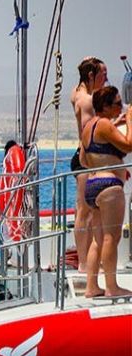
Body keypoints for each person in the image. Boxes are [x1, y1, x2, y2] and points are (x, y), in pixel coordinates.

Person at [79, 85, 131, 298]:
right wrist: (130, 119)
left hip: (92, 185)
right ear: (106, 106)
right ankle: (112, 287)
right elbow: (129, 145)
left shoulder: (89, 126)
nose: (121, 107)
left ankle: (92, 286)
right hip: (109, 186)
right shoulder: (103, 124)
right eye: (118, 104)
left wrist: (115, 124)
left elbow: (83, 159)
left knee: (97, 239)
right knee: (112, 237)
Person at [70, 58, 108, 271]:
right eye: (102, 75)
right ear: (91, 76)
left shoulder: (76, 93)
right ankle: (84, 263)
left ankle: (93, 260)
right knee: (84, 211)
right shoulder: (86, 101)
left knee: (94, 211)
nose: (106, 79)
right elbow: (88, 135)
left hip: (90, 161)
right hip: (86, 161)